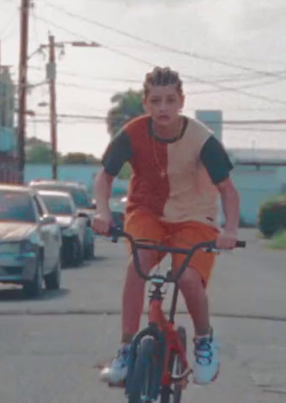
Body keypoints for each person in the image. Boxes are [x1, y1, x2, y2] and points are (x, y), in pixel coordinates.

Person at [91, 67, 240, 386]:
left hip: (195, 217)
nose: (163, 108)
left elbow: (228, 190)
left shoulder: (202, 140)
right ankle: (126, 348)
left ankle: (203, 339)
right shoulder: (133, 133)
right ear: (145, 103)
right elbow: (104, 178)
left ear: (181, 101)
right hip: (148, 212)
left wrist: (230, 231)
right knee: (138, 265)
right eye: (155, 101)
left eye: (170, 100)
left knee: (187, 276)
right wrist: (102, 213)